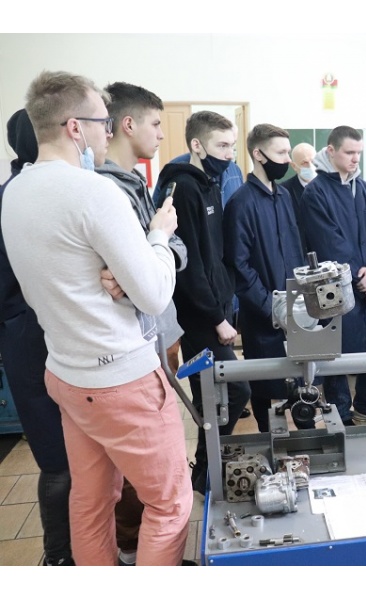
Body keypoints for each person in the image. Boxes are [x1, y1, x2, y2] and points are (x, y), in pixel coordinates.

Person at [2, 70, 192, 566]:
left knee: (89, 502)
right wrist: (159, 237)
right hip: (121, 377)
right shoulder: (93, 192)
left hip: (67, 373)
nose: (109, 133)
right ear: (74, 128)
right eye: (103, 123)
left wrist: (124, 272)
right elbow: (153, 294)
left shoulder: (15, 191)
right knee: (169, 504)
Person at [96, 81, 189, 566]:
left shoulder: (135, 182)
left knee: (153, 464)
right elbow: (140, 279)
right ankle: (134, 550)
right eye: (155, 123)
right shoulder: (106, 190)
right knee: (141, 472)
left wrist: (161, 247)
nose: (161, 133)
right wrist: (161, 247)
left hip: (158, 330)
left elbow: (168, 254)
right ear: (127, 124)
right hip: (131, 344)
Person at [154, 110, 251, 492]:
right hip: (199, 317)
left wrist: (227, 304)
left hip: (218, 307)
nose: (229, 154)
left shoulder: (211, 183)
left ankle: (206, 472)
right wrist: (216, 318)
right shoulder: (183, 188)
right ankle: (205, 467)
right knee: (234, 391)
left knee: (213, 396)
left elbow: (216, 257)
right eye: (221, 145)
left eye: (232, 146)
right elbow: (189, 268)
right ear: (197, 145)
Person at [0, 109, 74, 566]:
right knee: (57, 460)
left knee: (83, 458)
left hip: (61, 340)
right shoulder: (12, 198)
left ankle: (90, 549)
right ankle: (58, 557)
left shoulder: (51, 192)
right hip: (31, 344)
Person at [299, 126, 366, 427]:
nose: (355, 159)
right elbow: (330, 244)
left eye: (358, 153)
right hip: (336, 288)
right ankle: (341, 412)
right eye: (349, 152)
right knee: (337, 349)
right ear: (331, 151)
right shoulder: (315, 192)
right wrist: (364, 281)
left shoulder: (362, 187)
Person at [223, 124, 305, 433]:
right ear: (258, 154)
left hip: (295, 310)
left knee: (301, 382)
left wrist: (300, 300)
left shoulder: (284, 196)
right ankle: (267, 438)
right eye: (281, 153)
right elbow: (239, 265)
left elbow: (295, 250)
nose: (287, 160)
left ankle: (303, 442)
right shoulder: (241, 203)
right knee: (265, 385)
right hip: (263, 314)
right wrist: (272, 307)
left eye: (288, 152)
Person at [153, 124, 244, 209]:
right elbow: (157, 208)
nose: (230, 155)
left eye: (232, 145)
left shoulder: (235, 171)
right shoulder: (176, 169)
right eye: (223, 145)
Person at [280, 142, 316, 254]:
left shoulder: (331, 187)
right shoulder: (283, 192)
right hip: (299, 255)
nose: (310, 166)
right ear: (294, 166)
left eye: (313, 161)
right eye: (304, 163)